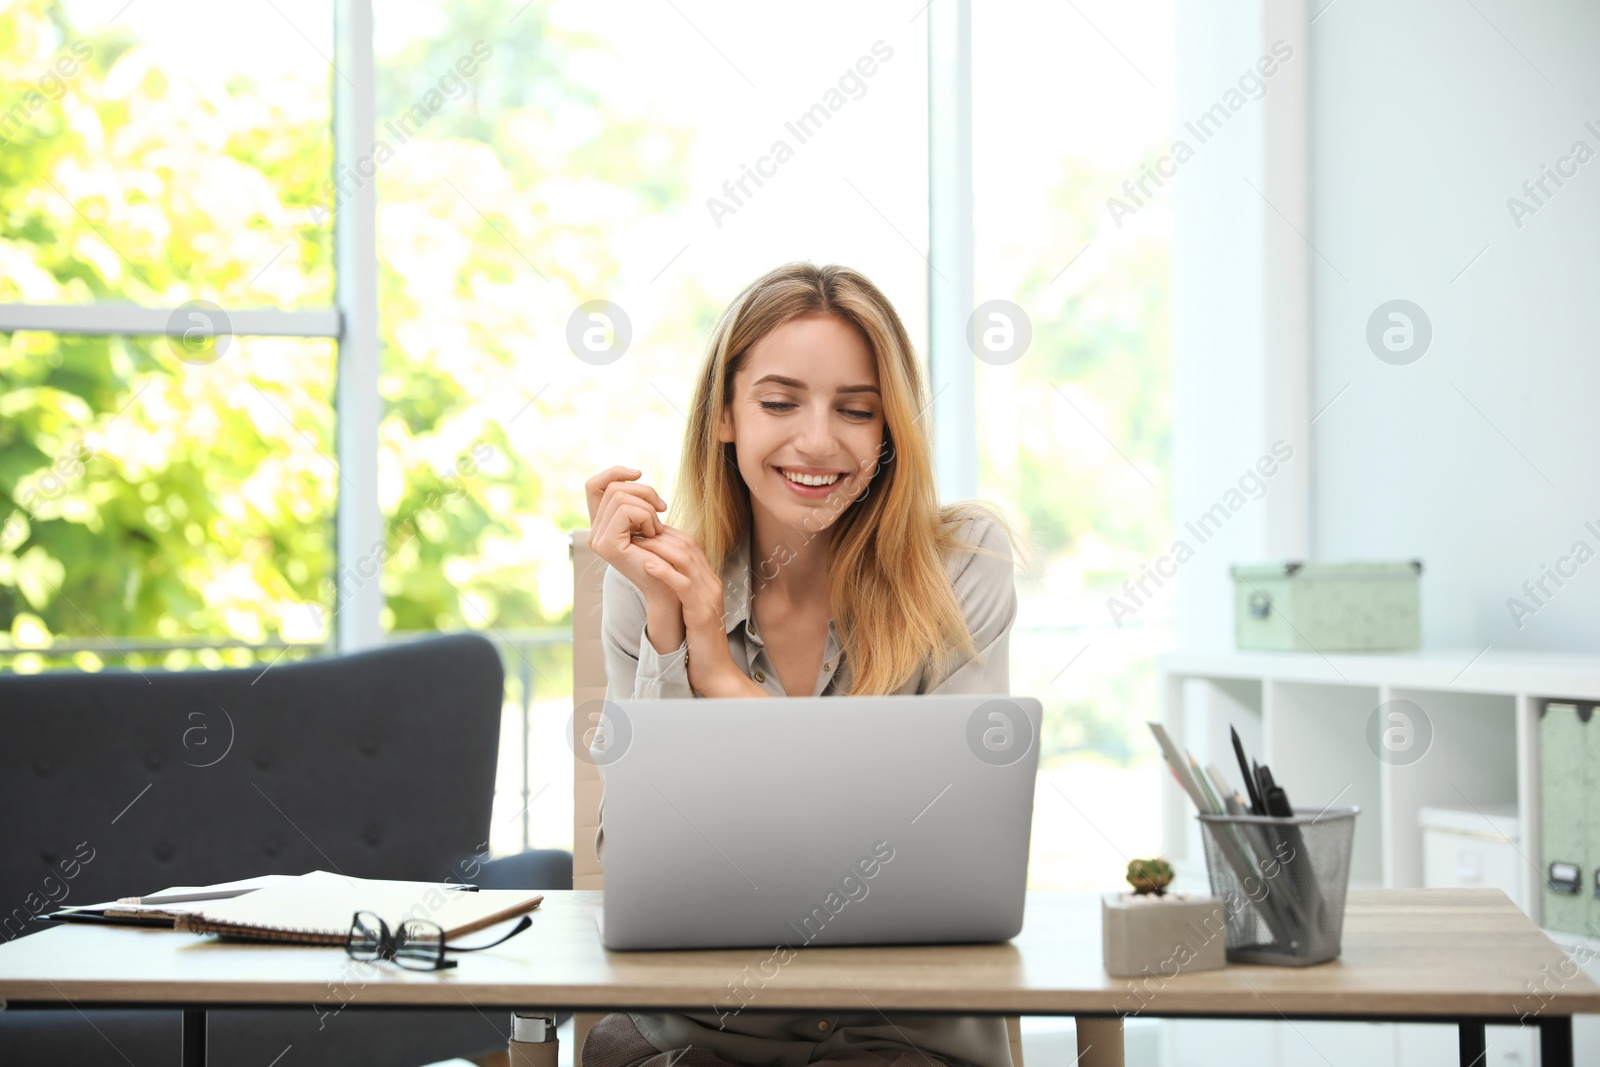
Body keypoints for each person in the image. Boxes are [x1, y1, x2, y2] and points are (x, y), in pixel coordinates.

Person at [582, 262, 1022, 1067]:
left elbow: (937, 848)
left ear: (891, 428)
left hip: (907, 1031)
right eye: (780, 402)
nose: (819, 441)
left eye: (856, 410)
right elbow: (639, 859)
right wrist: (675, 636)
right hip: (709, 1030)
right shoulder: (653, 583)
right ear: (724, 414)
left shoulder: (965, 567)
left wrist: (720, 673)